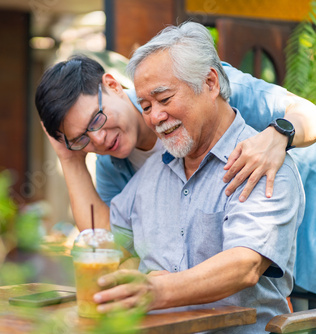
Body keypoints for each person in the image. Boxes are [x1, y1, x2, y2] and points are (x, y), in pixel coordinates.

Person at [35, 44, 316, 307]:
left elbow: (308, 114)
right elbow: (107, 239)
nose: (98, 139)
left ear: (112, 85)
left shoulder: (197, 82)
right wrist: (69, 158)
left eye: (96, 120)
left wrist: (278, 135)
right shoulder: (114, 162)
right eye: (82, 138)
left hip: (297, 226)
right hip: (207, 296)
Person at [89, 22, 304, 333]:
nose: (155, 117)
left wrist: (157, 291)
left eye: (164, 99)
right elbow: (110, 245)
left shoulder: (264, 163)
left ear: (210, 82)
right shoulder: (152, 172)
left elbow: (244, 266)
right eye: (146, 106)